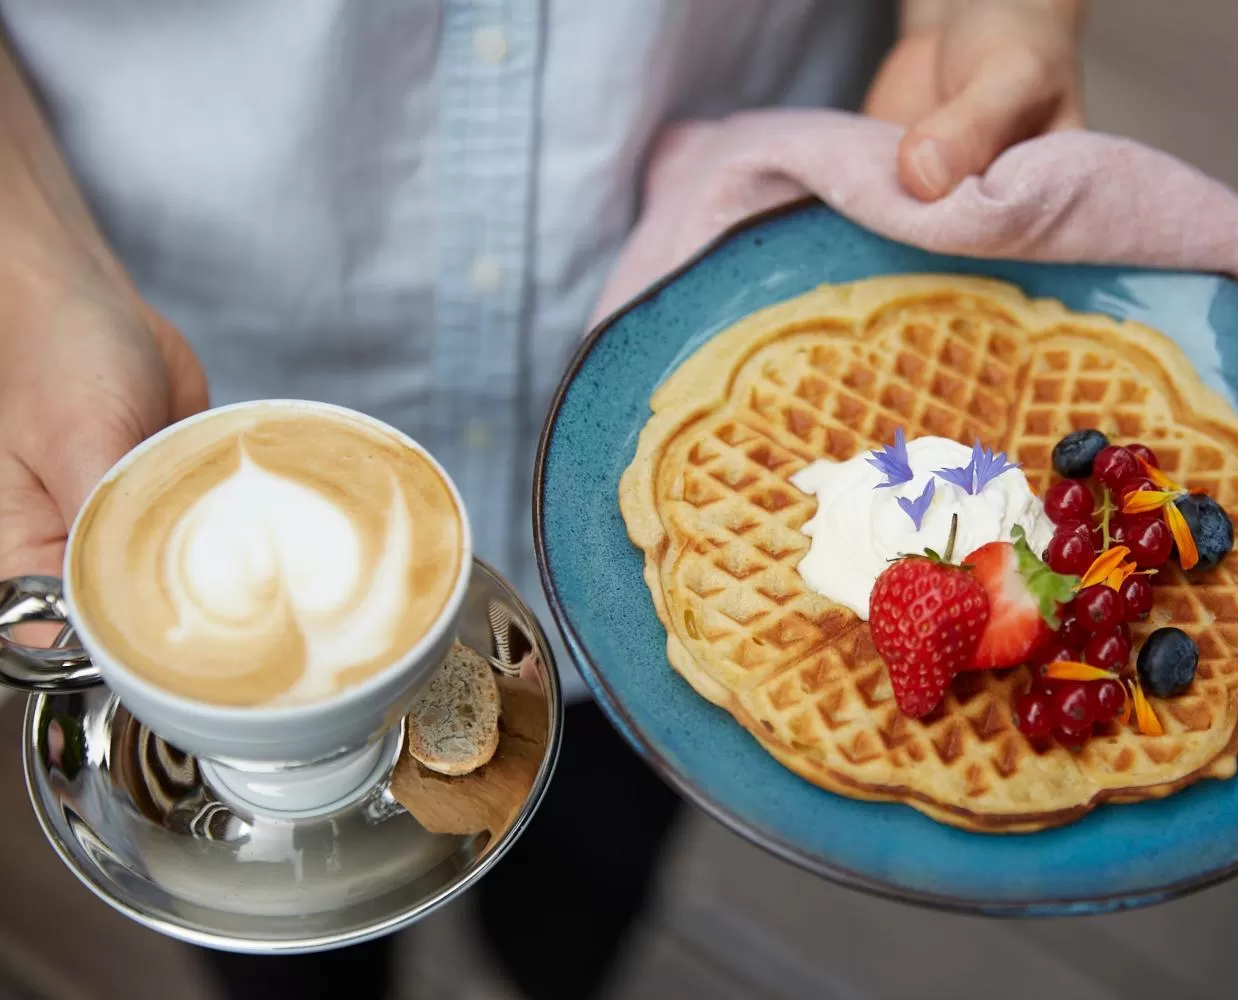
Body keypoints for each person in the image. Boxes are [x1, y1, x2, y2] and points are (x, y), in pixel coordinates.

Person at [0, 1, 1085, 997]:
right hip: (188, 332)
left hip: (701, 415)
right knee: (287, 974)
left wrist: (989, 18)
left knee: (582, 910)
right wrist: (32, 275)